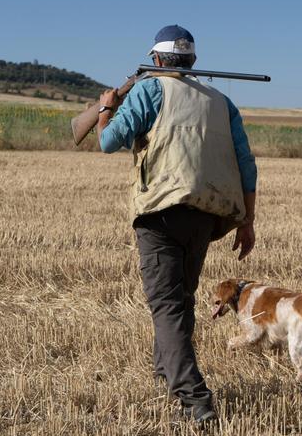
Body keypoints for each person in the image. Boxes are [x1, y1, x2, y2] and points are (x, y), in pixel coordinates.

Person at [96, 24, 257, 424]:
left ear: (156, 60)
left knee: (167, 306)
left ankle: (195, 399)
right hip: (205, 215)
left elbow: (107, 141)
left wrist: (104, 108)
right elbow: (247, 166)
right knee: (181, 300)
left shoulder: (151, 90)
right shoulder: (221, 102)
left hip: (160, 214)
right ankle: (166, 372)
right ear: (194, 62)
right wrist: (248, 221)